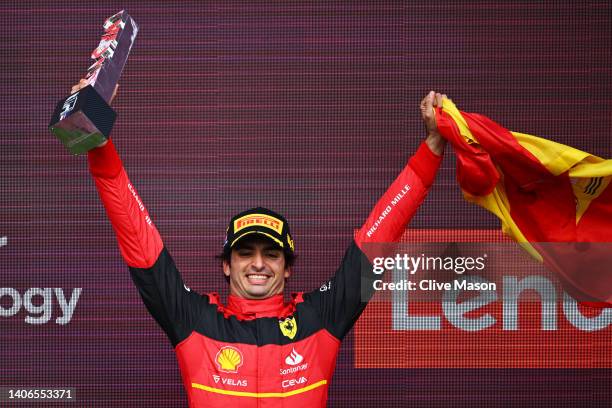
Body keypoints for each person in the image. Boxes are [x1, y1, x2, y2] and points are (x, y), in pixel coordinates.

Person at [71, 78, 446, 407]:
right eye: (245, 252)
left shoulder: (319, 317)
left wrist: (430, 149)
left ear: (287, 267)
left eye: (271, 253)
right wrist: (99, 143)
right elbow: (138, 237)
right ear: (226, 264)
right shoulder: (195, 319)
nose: (258, 263)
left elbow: (378, 239)